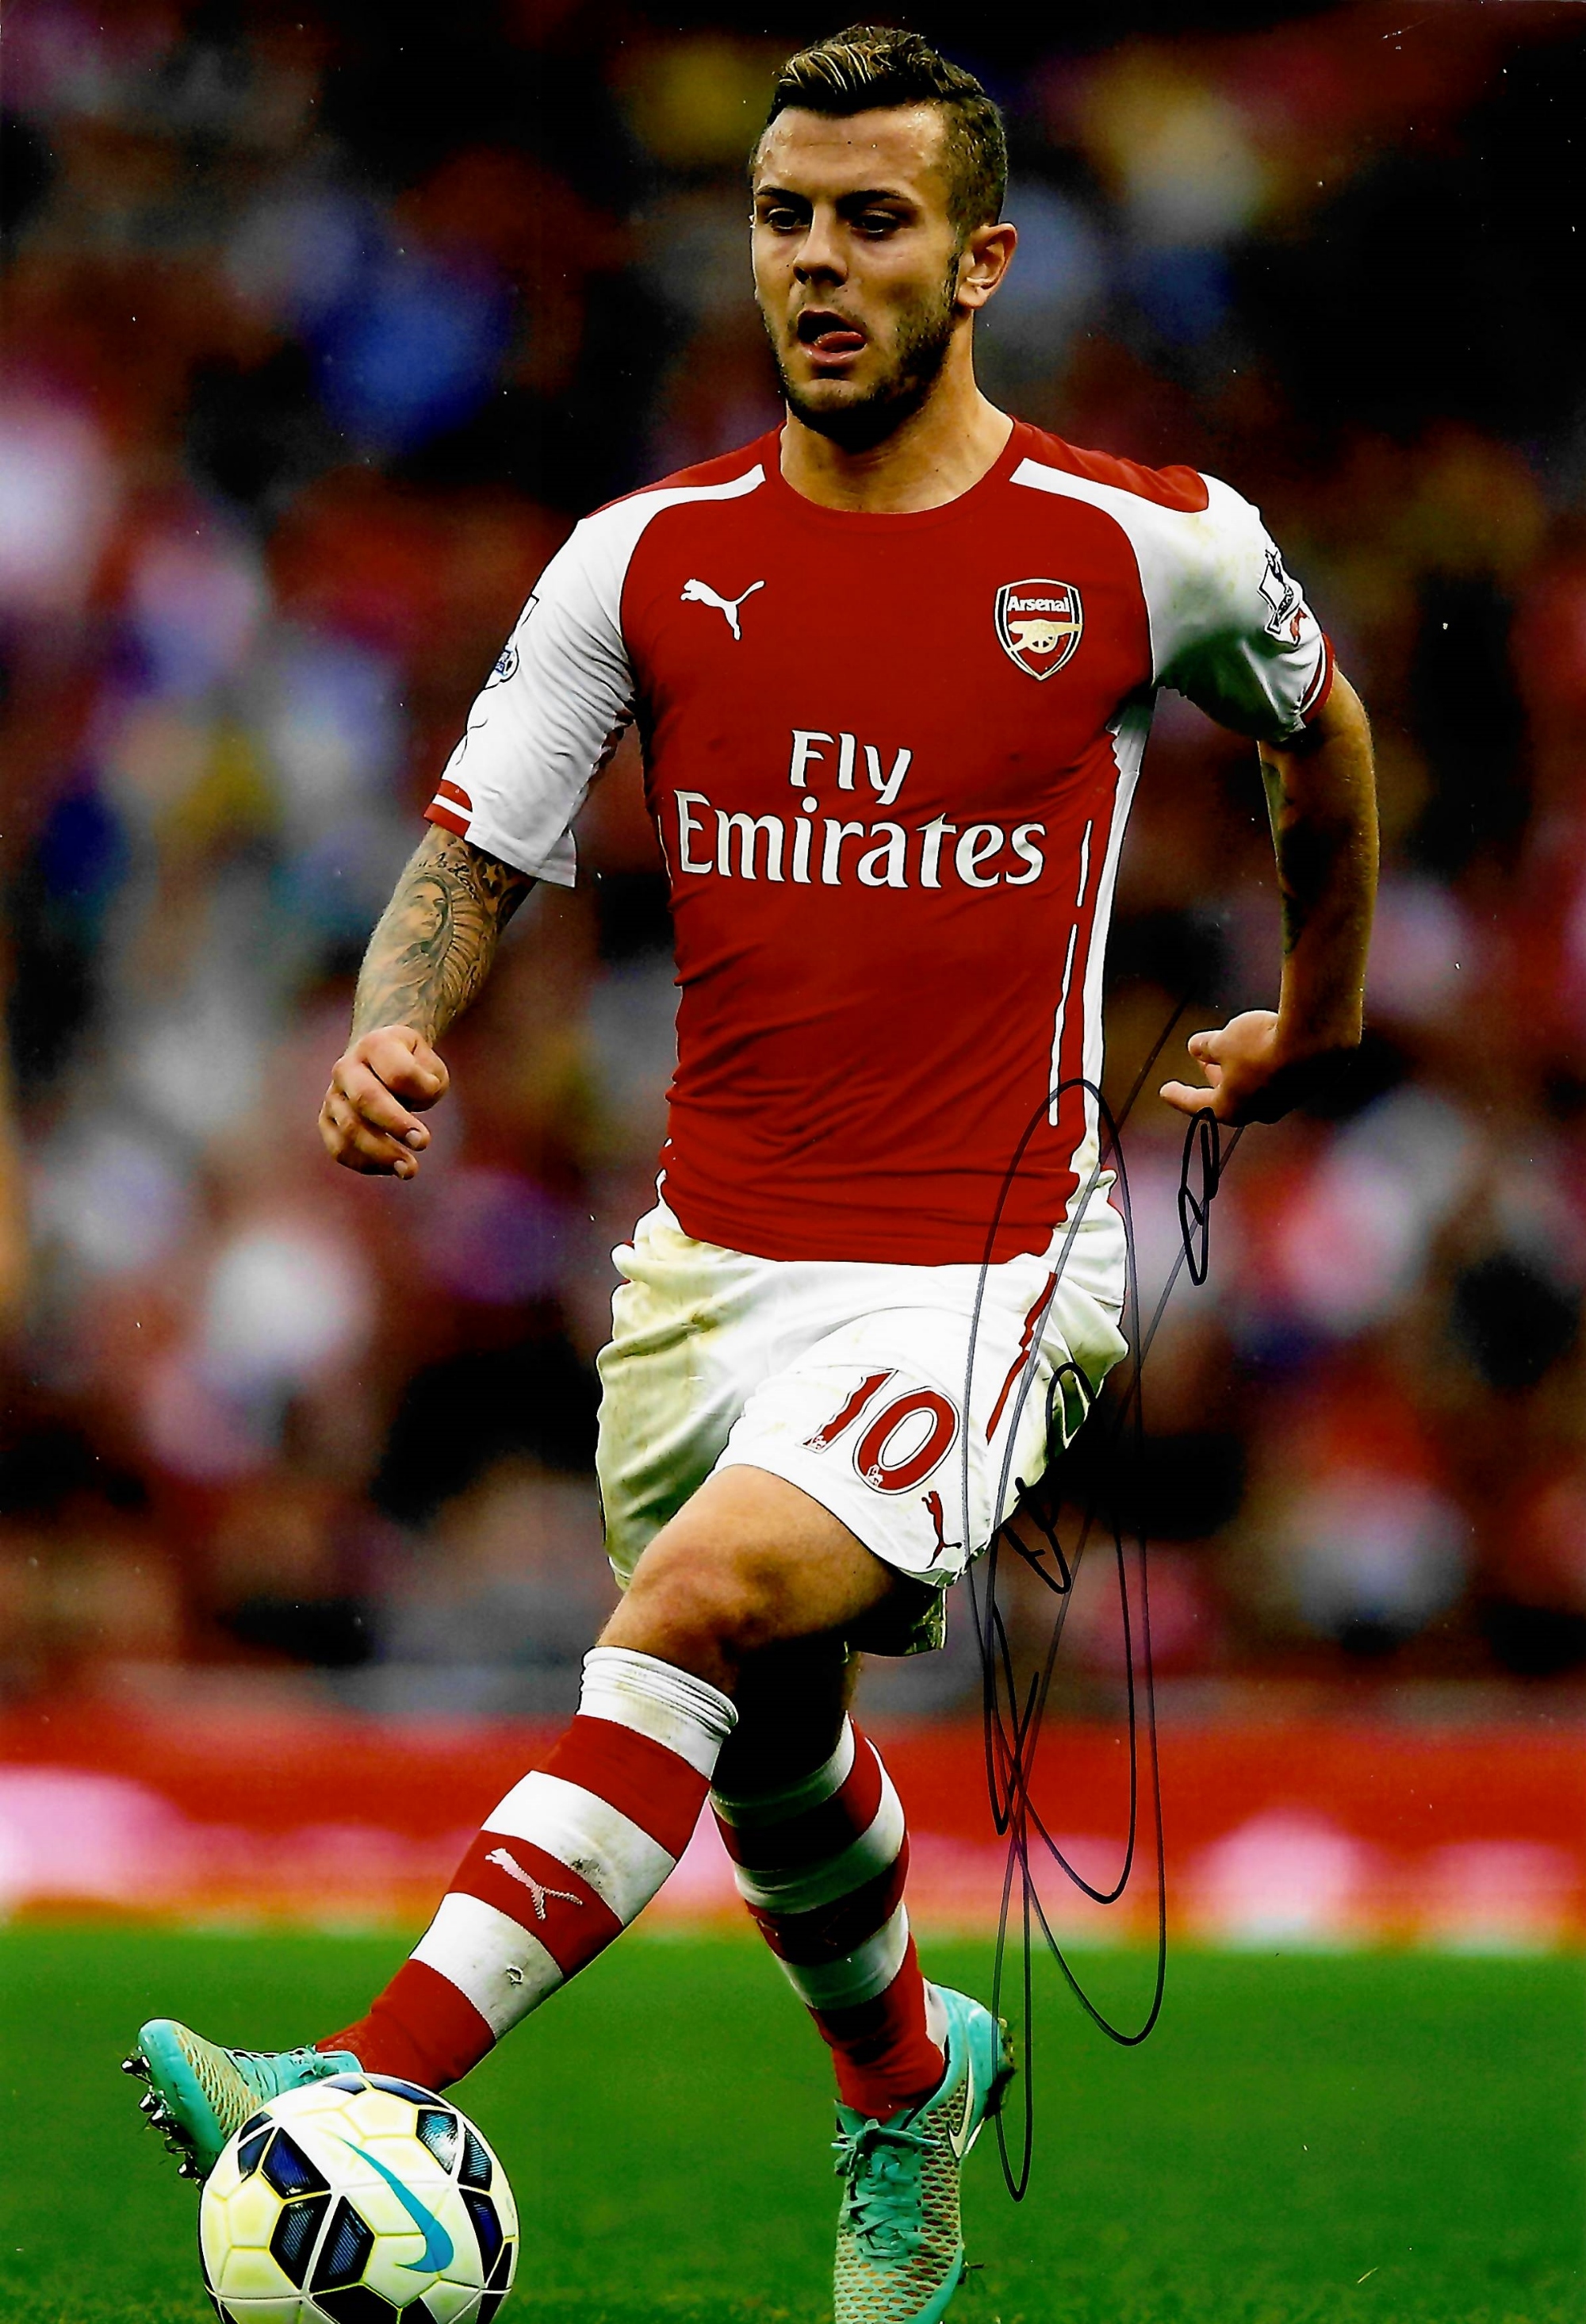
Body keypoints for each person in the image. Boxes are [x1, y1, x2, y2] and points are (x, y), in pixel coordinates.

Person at [126, 25, 1377, 2322]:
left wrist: (1321, 1009)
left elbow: (1327, 734)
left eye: (873, 220)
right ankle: (909, 2078)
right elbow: (471, 849)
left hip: (989, 1269)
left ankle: (359, 2081)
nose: (816, 259)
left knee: (697, 1609)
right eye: (785, 216)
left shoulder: (1143, 547)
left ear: (981, 260)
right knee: (773, 1746)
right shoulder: (648, 560)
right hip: (712, 1268)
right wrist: (397, 1017)